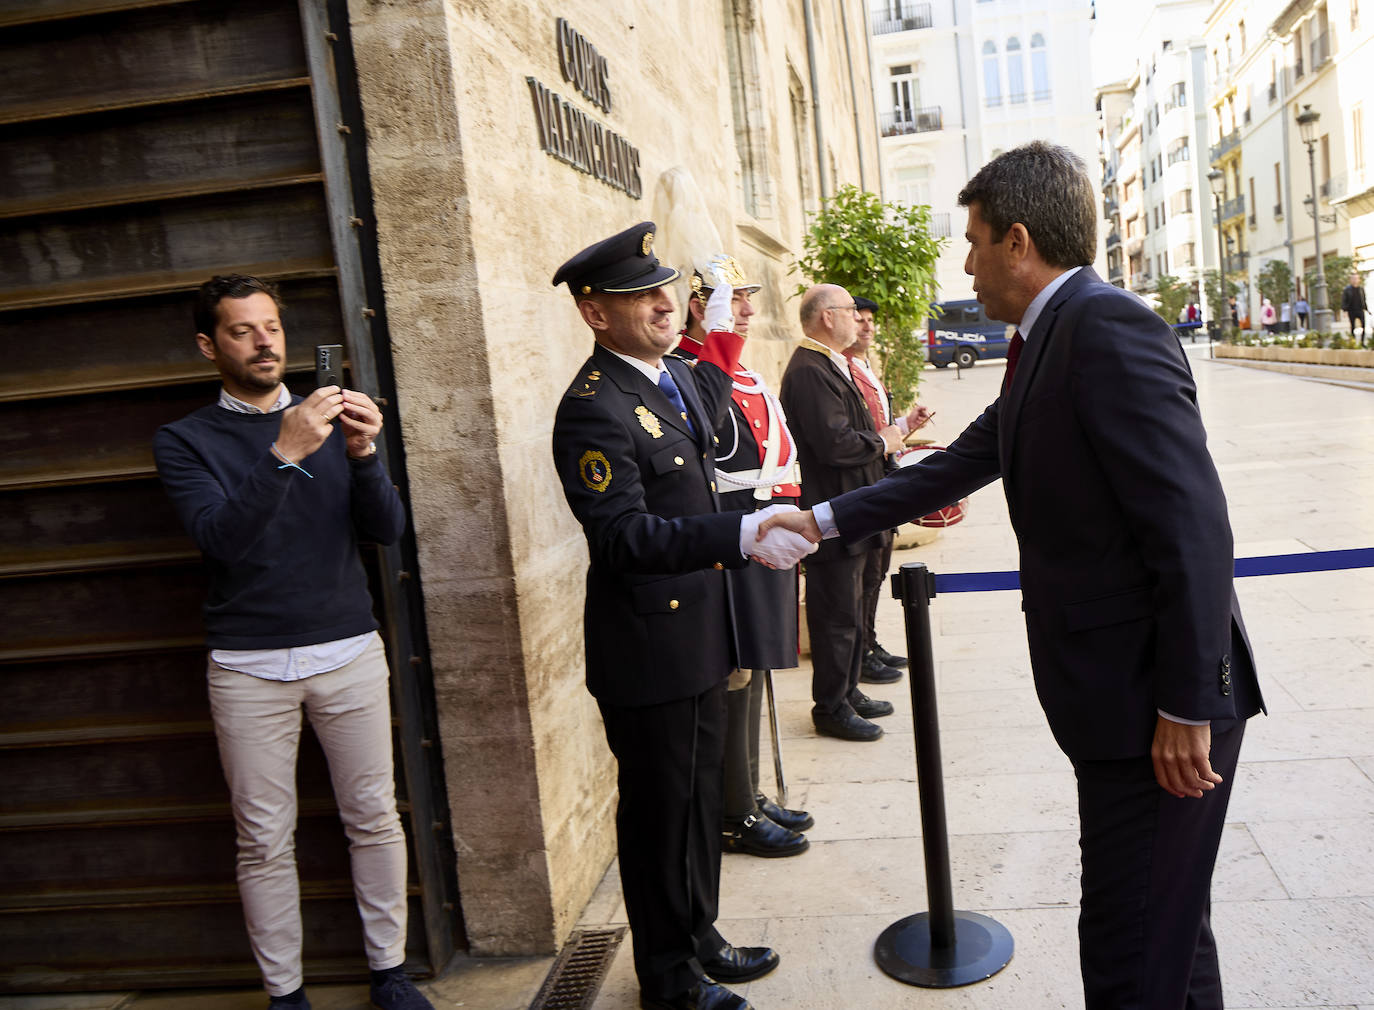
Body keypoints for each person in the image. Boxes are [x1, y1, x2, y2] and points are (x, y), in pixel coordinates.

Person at [758, 142, 1264, 1009]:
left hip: (1159, 712)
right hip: (1123, 703)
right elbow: (959, 461)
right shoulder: (1049, 338)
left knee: (1126, 944)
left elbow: (1194, 530)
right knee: (1167, 930)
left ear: (1019, 241)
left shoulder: (1106, 327)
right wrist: (822, 520)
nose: (965, 261)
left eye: (974, 240)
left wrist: (1187, 705)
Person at [549, 222, 815, 1010]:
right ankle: (666, 978)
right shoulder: (594, 408)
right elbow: (625, 537)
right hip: (649, 646)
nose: (667, 303)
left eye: (667, 289)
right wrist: (740, 535)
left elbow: (718, 418)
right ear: (597, 314)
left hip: (699, 629)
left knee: (700, 803)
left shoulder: (673, 380)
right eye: (643, 295)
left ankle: (699, 937)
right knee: (660, 815)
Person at [153, 275, 431, 1010]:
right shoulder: (185, 440)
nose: (264, 340)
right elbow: (221, 540)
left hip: (347, 649)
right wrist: (284, 453)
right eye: (243, 330)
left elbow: (386, 531)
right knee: (263, 838)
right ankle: (286, 994)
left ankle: (390, 973)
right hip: (246, 666)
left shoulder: (327, 418)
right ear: (210, 346)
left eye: (271, 326)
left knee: (373, 815)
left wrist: (366, 455)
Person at [676, 256, 813, 859]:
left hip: (762, 536)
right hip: (731, 539)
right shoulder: (693, 370)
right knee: (734, 673)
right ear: (699, 307)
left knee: (753, 670)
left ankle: (750, 795)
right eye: (735, 300)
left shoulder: (737, 371)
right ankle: (735, 811)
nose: (748, 312)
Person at [779, 284, 926, 742]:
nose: (858, 320)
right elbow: (835, 443)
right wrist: (886, 440)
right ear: (827, 317)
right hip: (835, 511)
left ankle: (847, 691)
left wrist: (892, 436)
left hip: (856, 507)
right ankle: (831, 707)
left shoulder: (829, 364)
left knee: (855, 604)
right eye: (849, 312)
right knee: (836, 616)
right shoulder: (808, 370)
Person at [845, 296, 927, 683]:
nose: (867, 327)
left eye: (870, 321)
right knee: (864, 578)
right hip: (864, 481)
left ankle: (870, 641)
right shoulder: (843, 368)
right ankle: (860, 652)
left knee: (877, 574)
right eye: (858, 320)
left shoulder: (865, 366)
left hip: (881, 476)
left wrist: (905, 423)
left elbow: (879, 427)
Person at [1341, 273, 1367, 345]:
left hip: (1360, 310)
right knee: (1353, 327)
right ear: (1350, 280)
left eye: (1356, 278)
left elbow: (1364, 299)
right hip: (1351, 310)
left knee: (1363, 326)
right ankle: (1353, 342)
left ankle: (1362, 342)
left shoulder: (1361, 289)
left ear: (1359, 279)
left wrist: (1366, 308)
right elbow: (1344, 300)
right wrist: (1344, 310)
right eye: (1353, 278)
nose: (1355, 280)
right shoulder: (1347, 289)